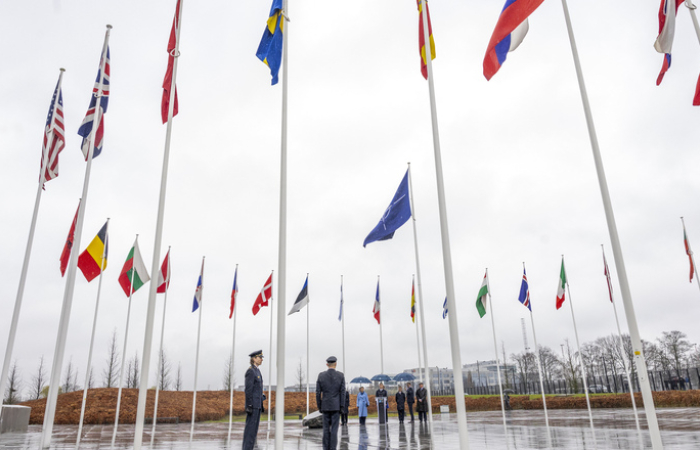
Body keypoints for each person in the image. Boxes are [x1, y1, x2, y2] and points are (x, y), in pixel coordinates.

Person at [316, 356, 346, 450]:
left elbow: (317, 393)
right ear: (335, 364)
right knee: (334, 430)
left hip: (325, 406)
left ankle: (325, 448)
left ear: (327, 364)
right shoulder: (340, 376)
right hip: (336, 406)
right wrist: (342, 406)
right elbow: (343, 392)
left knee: (325, 429)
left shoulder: (321, 376)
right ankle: (333, 448)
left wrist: (319, 406)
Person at [242, 350, 265, 450]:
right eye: (260, 357)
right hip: (253, 406)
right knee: (250, 431)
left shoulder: (257, 371)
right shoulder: (251, 371)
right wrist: (249, 405)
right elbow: (248, 390)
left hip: (257, 405)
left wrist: (261, 403)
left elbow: (258, 390)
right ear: (254, 358)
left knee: (254, 432)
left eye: (261, 357)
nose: (261, 359)